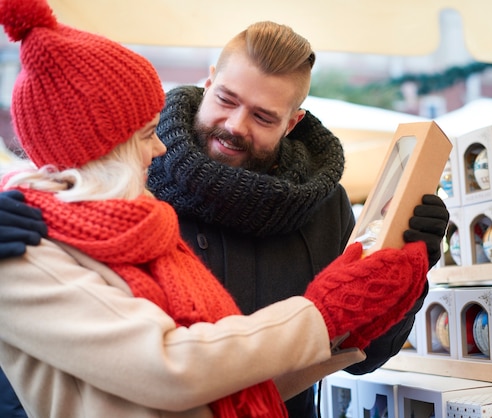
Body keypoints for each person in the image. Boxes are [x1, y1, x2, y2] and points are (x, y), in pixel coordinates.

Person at [0, 11, 450, 418]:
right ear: (209, 81)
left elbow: (365, 352)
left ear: (292, 123)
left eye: (262, 116)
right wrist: (324, 312)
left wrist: (407, 266)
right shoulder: (122, 194)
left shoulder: (323, 205)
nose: (236, 125)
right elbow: (165, 369)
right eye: (227, 100)